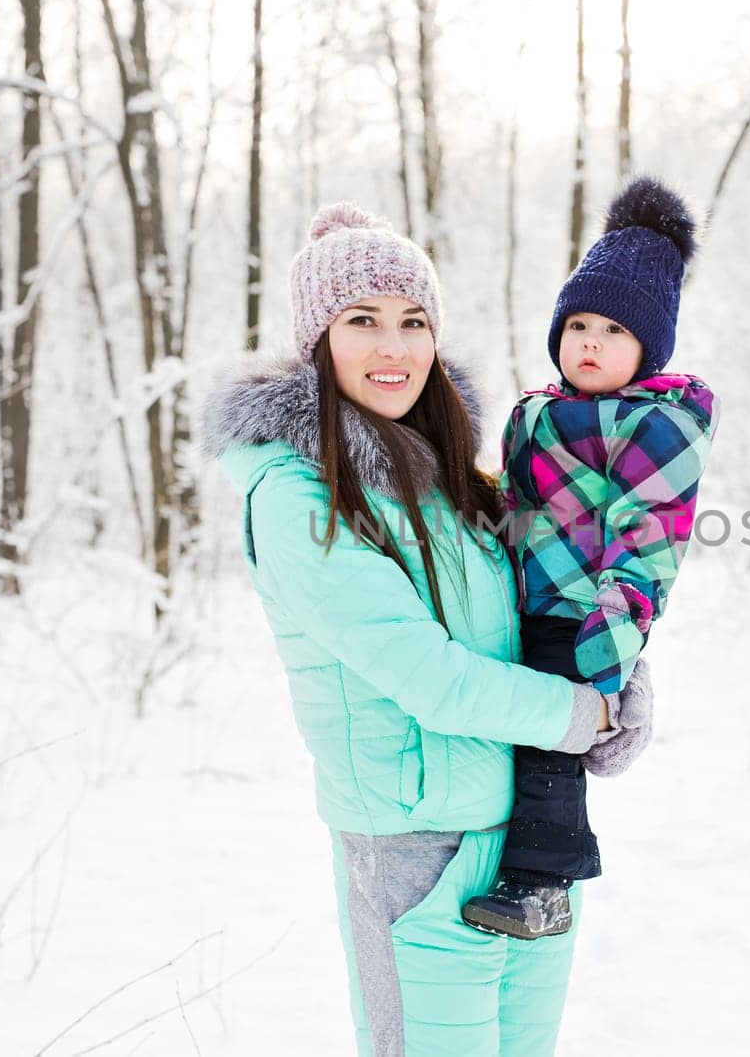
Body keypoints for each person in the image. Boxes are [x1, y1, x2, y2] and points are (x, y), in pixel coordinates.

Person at [203, 201, 654, 1057]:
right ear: (318, 339)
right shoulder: (298, 496)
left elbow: (550, 603)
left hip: (528, 842)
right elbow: (430, 676)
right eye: (362, 320)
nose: (394, 347)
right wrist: (575, 715)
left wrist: (620, 683)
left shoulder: (456, 481)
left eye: (414, 322)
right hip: (415, 857)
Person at [460, 177, 719, 941]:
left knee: (552, 745)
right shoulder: (534, 413)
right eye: (578, 324)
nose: (591, 342)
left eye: (613, 329)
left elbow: (648, 540)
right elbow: (507, 504)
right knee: (514, 739)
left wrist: (606, 655)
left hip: (582, 612)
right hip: (517, 599)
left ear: (647, 347)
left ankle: (544, 883)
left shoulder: (660, 421)